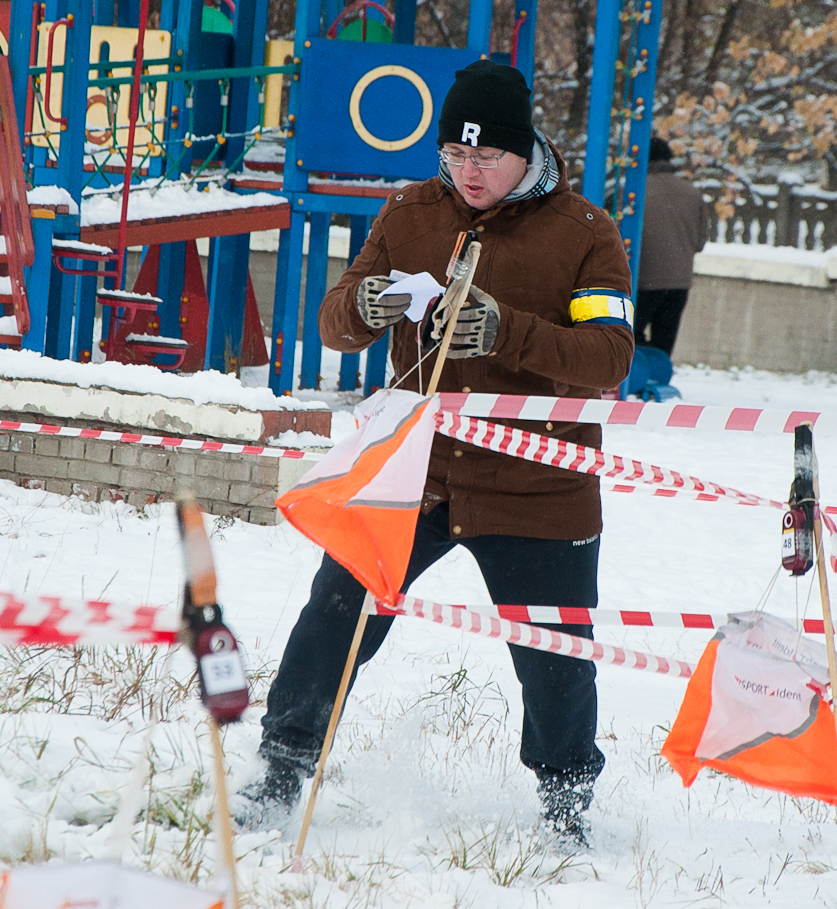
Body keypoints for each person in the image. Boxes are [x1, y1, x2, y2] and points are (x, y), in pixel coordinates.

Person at [240, 60, 635, 847]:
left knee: (554, 655)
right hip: (413, 476)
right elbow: (334, 323)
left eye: (486, 157)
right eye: (454, 154)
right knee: (333, 617)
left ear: (526, 150)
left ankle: (565, 804)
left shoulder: (584, 232)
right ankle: (280, 771)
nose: (468, 172)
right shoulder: (410, 212)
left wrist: (509, 333)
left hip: (537, 483)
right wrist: (363, 305)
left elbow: (609, 356)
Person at [633, 137, 709, 355]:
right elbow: (700, 242)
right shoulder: (692, 193)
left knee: (629, 340)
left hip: (642, 281)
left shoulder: (634, 192)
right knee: (663, 346)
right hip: (678, 284)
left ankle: (637, 369)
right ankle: (657, 371)